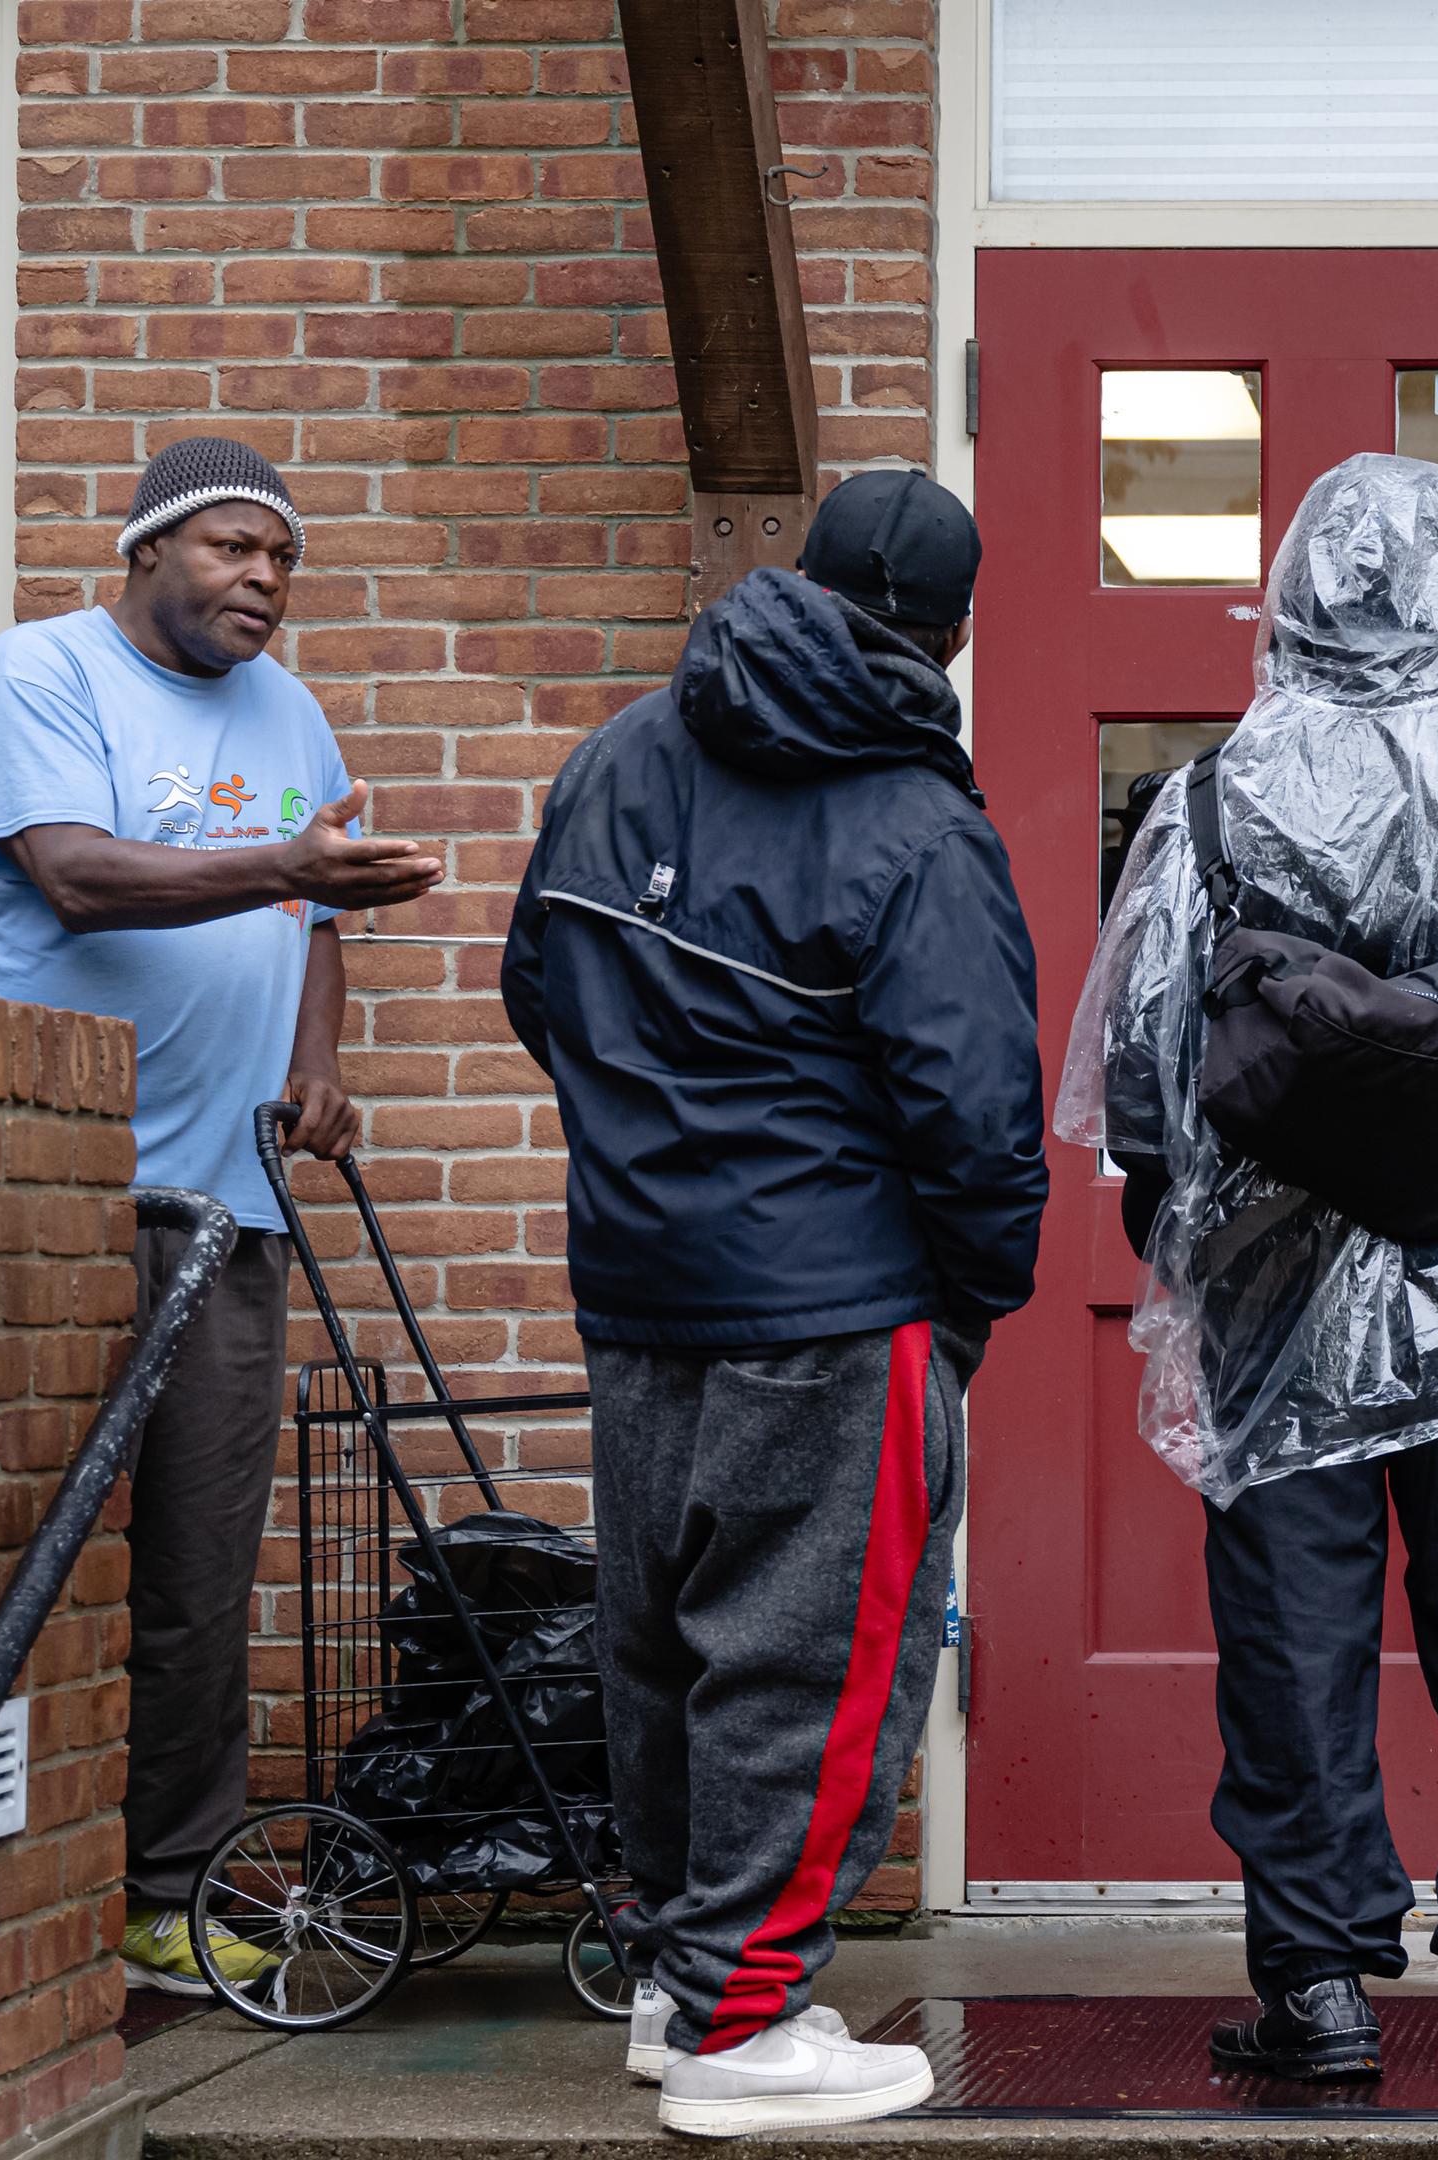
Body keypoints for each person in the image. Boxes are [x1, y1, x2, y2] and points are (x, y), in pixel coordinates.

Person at [1055, 454, 1438, 2082]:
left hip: (1270, 1286)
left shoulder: (1212, 800)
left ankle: (1321, 1987)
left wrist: (1185, 1244)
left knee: (1293, 1632)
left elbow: (1141, 1071)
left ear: (1300, 591)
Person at [501, 468, 1047, 2137]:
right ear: (950, 634)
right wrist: (964, 1311)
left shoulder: (614, 759)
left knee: (659, 1648)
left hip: (640, 1289)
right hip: (831, 1304)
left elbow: (540, 987)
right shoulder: (915, 822)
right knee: (806, 1665)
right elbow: (979, 1121)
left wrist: (656, 1168)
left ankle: (684, 1992)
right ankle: (745, 2030)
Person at [0, 437, 446, 1999]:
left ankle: (168, 1901)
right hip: (58, 1200)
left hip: (229, 1207)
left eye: (282, 561)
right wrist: (287, 867)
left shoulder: (288, 712)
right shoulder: (39, 678)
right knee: (12, 1557)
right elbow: (76, 879)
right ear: (150, 547)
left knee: (200, 1576)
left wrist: (319, 1061)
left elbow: (312, 910)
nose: (265, 584)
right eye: (235, 550)